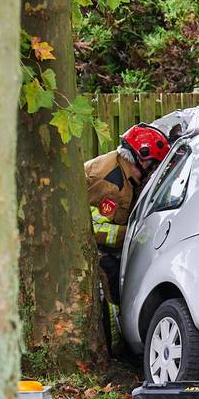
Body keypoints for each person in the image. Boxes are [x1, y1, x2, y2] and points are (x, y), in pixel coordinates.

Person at [86, 123, 172, 302]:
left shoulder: (125, 172)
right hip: (90, 247)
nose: (154, 173)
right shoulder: (110, 185)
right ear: (143, 161)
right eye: (154, 166)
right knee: (116, 283)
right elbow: (93, 231)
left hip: (102, 242)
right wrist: (136, 235)